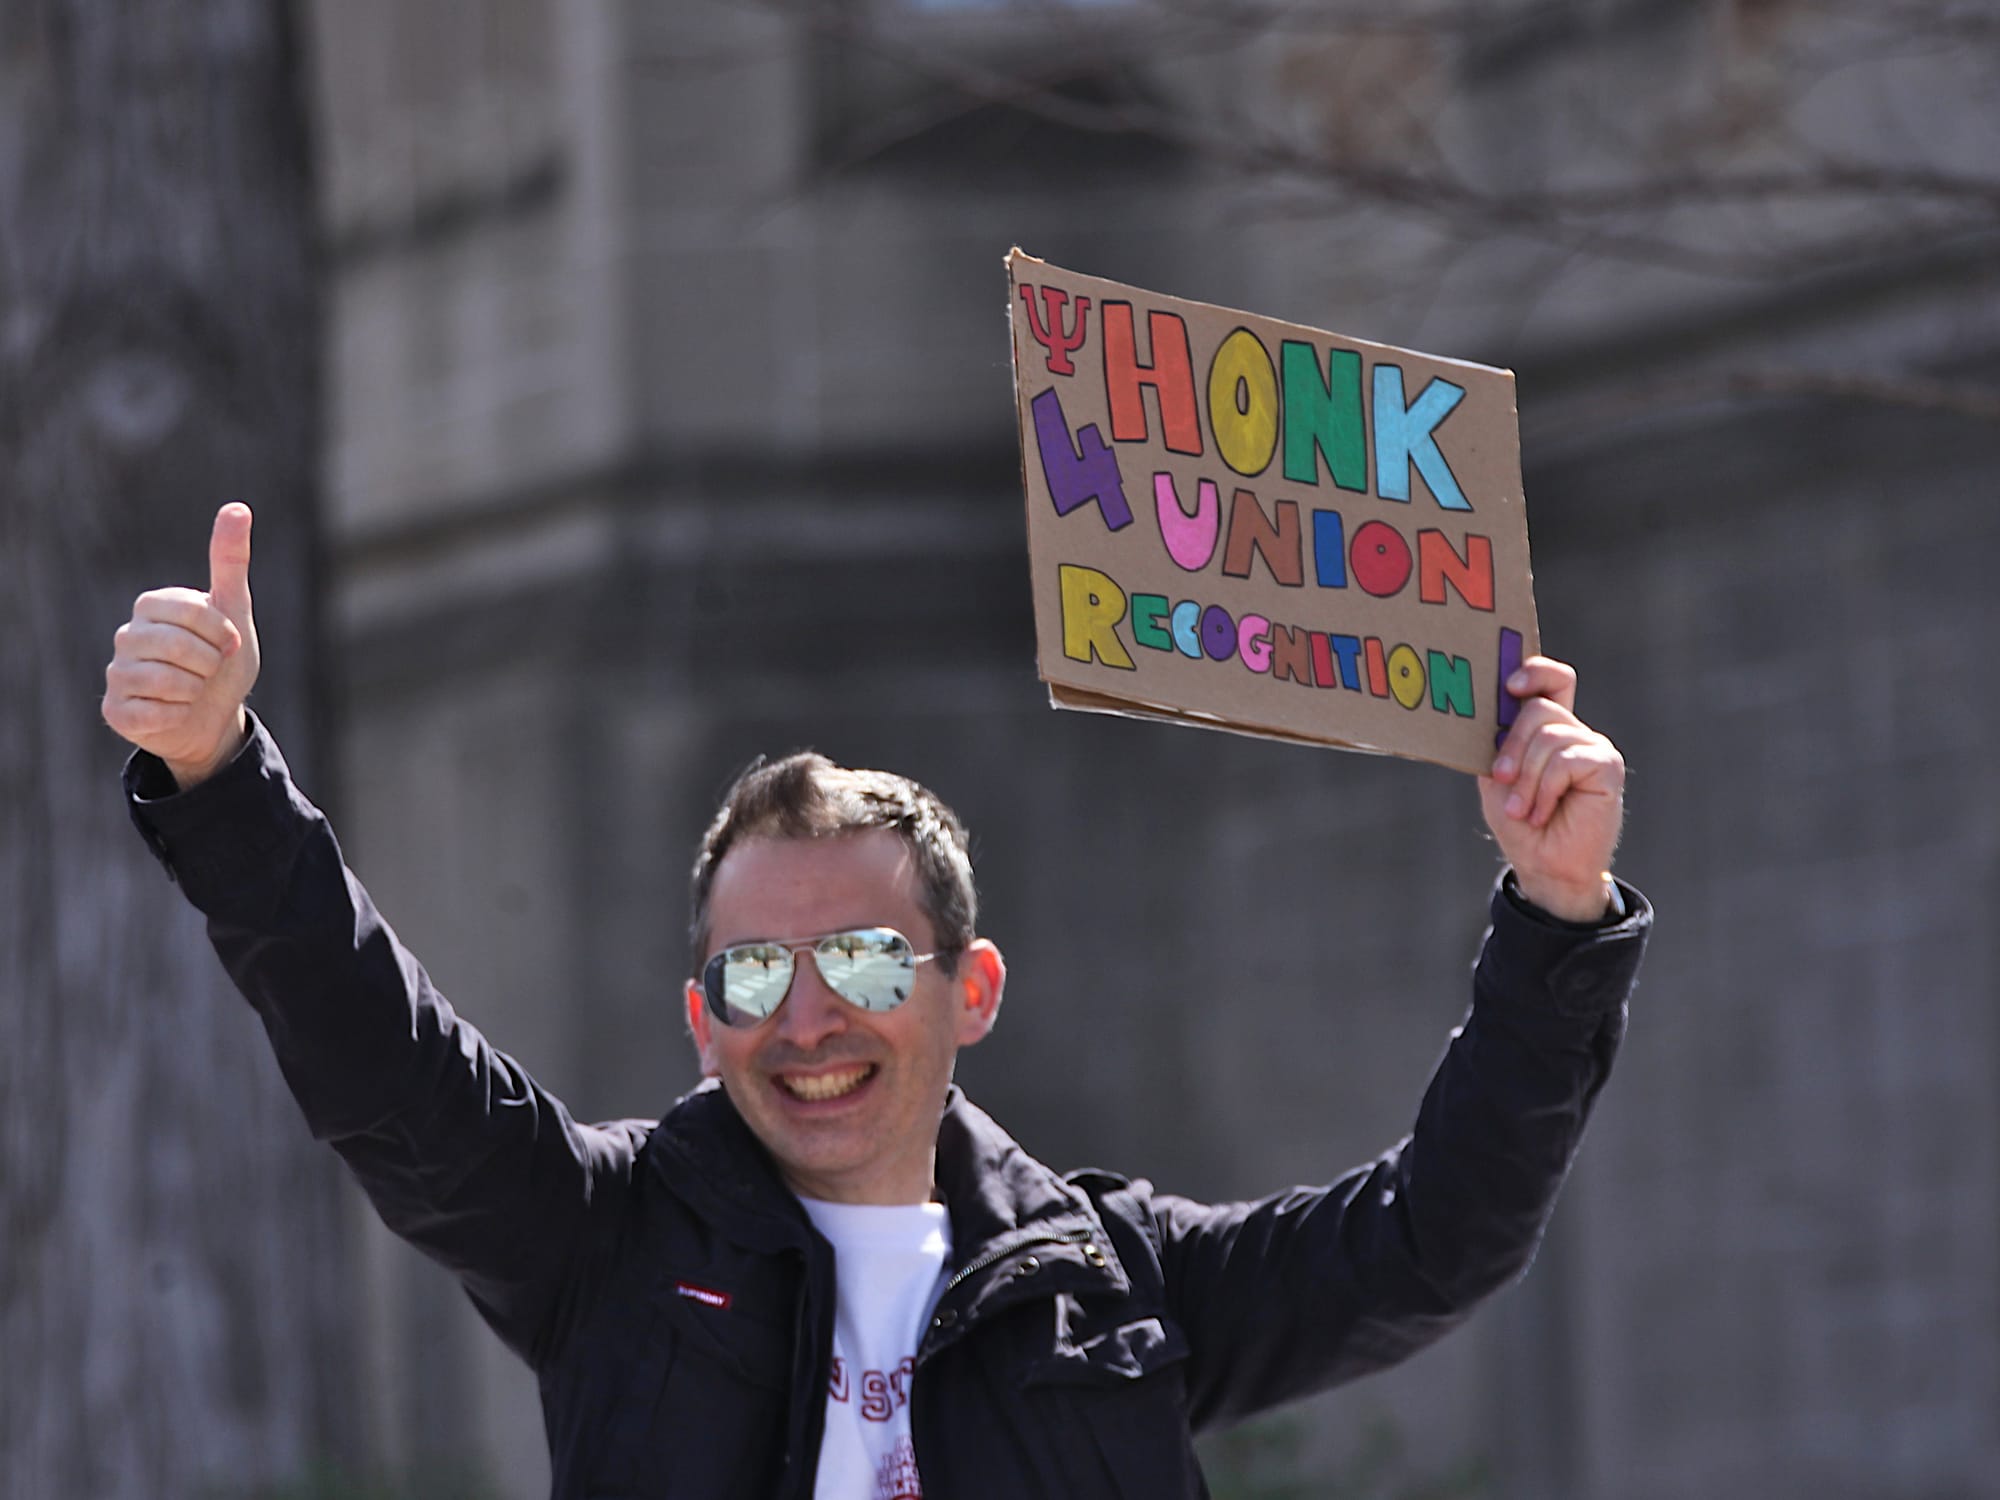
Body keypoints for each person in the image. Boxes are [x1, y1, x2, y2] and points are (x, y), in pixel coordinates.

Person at [105, 503, 1651, 1500]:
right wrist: (220, 775)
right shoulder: (606, 1243)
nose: (807, 1020)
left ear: (967, 990)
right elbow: (390, 1069)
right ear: (700, 1016)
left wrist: (1556, 906)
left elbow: (1435, 1239)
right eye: (756, 974)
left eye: (856, 963)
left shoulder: (1111, 1286)